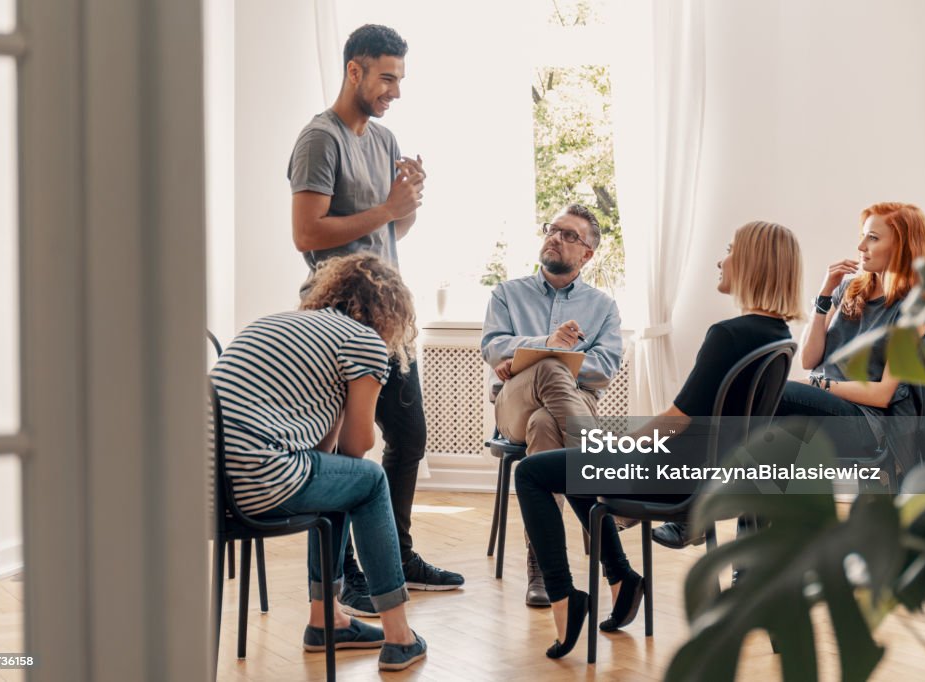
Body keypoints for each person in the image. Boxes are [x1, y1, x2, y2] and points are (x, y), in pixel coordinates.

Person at [515, 221, 803, 658]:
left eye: (728, 249)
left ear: (752, 263)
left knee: (533, 471)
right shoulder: (779, 337)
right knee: (576, 465)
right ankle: (622, 576)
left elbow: (675, 421)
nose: (721, 259)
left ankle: (563, 597)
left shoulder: (728, 335)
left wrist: (618, 450)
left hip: (676, 478)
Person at [287, 23, 464, 615]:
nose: (395, 90)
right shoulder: (320, 139)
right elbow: (307, 234)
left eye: (400, 78)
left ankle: (398, 555)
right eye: (386, 77)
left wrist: (405, 204)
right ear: (354, 70)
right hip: (337, 319)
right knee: (345, 453)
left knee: (408, 438)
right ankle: (350, 577)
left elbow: (388, 231)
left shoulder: (385, 140)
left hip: (389, 316)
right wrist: (386, 207)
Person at [211, 254, 427, 672]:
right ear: (388, 310)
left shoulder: (271, 322)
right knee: (370, 480)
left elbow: (327, 456)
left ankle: (326, 620)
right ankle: (399, 636)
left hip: (206, 483)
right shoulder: (362, 341)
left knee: (341, 478)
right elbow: (358, 445)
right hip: (258, 477)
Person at [480, 204, 623, 607]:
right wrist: (550, 346)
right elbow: (492, 347)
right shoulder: (507, 293)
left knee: (546, 423)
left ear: (587, 255)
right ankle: (608, 486)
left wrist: (541, 360)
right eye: (553, 229)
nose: (556, 238)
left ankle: (543, 566)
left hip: (571, 406)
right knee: (546, 373)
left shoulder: (603, 307)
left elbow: (604, 370)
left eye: (569, 235)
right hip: (513, 404)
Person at [775, 202, 925, 463]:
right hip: (821, 403)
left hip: (865, 422)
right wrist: (825, 295)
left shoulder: (913, 311)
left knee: (774, 393)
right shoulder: (849, 290)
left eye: (873, 238)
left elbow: (883, 395)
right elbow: (809, 360)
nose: (861, 247)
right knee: (759, 399)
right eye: (863, 236)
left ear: (901, 246)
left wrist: (817, 384)